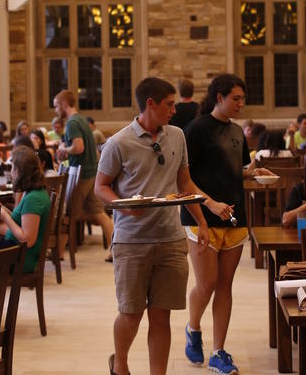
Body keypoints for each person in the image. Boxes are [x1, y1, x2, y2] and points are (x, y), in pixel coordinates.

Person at [95, 77, 224, 375]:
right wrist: (124, 208)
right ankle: (122, 365)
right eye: (169, 104)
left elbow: (185, 183)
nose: (174, 110)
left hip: (170, 238)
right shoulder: (118, 142)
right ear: (150, 104)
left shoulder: (177, 136)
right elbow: (100, 188)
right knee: (130, 313)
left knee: (161, 315)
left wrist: (201, 220)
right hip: (131, 241)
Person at [182, 74, 272, 374]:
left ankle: (219, 351)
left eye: (242, 98)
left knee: (224, 286)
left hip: (235, 218)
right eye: (236, 98)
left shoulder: (236, 132)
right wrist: (209, 202)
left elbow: (234, 171)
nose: (240, 104)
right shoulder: (195, 130)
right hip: (202, 218)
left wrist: (255, 174)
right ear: (219, 97)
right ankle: (193, 328)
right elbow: (184, 179)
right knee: (206, 284)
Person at [53, 90, 113, 262]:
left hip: (81, 175)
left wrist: (64, 148)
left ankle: (58, 254)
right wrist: (67, 151)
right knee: (99, 214)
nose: (56, 110)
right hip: (91, 172)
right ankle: (115, 250)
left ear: (65, 104)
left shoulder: (72, 123)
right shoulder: (82, 120)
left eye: (57, 106)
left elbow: (79, 148)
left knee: (68, 214)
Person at [0, 146, 51, 274]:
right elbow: (21, 219)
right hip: (13, 249)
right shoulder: (32, 192)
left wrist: (5, 216)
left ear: (19, 171)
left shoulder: (34, 198)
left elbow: (27, 240)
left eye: (13, 167)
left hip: (20, 258)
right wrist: (2, 208)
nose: (11, 171)